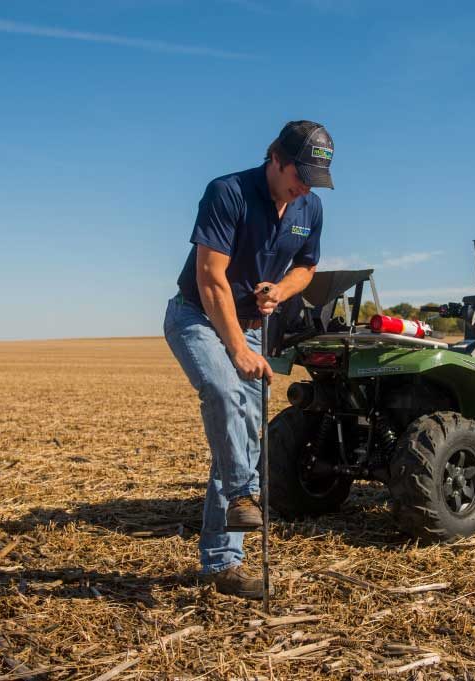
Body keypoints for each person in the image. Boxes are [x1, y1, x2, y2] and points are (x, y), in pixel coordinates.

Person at [164, 120, 334, 600]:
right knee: (221, 391)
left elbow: (307, 266)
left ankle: (223, 564)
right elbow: (210, 277)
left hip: (255, 327)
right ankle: (243, 493)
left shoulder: (310, 207)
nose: (304, 187)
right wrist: (237, 347)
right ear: (275, 158)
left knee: (240, 431)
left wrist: (279, 289)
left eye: (313, 181)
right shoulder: (227, 192)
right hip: (196, 317)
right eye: (298, 174)